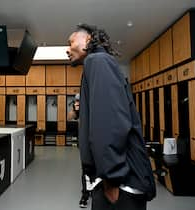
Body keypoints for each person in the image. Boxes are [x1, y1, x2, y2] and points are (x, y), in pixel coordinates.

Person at [66, 23, 156, 210]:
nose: (67, 49)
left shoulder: (97, 61)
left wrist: (111, 180)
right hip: (116, 182)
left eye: (71, 42)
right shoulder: (99, 63)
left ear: (88, 39)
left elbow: (110, 122)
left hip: (121, 186)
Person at [67, 93, 90, 208]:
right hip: (84, 144)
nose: (78, 102)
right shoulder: (78, 111)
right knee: (85, 169)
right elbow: (69, 117)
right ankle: (85, 195)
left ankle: (95, 190)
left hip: (96, 142)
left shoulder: (91, 108)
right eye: (76, 101)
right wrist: (76, 110)